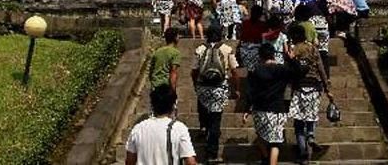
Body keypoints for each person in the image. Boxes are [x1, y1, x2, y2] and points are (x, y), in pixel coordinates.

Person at [191, 26, 240, 163]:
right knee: (215, 119)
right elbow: (234, 72)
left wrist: (196, 85)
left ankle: (204, 129)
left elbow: (194, 71)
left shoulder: (200, 49)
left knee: (205, 113)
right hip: (219, 88)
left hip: (203, 87)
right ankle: (212, 153)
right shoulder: (227, 49)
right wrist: (236, 89)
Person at [244, 43, 299, 165]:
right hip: (277, 108)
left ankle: (265, 156)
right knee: (275, 143)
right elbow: (298, 72)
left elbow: (249, 91)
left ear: (260, 56)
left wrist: (247, 108)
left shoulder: (255, 70)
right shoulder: (282, 69)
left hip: (259, 109)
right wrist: (292, 59)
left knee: (260, 135)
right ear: (274, 54)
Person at [288, 24, 333, 164]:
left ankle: (303, 154)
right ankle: (311, 135)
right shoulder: (313, 49)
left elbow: (289, 68)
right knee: (312, 115)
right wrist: (328, 88)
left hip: (299, 87)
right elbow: (321, 69)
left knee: (299, 122)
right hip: (314, 86)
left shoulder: (294, 49)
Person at [125, 84, 197, 165]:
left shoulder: (138, 128)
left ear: (152, 105)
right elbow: (191, 162)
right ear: (173, 106)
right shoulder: (179, 128)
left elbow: (130, 161)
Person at [306, 0, 332, 79]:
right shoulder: (324, 3)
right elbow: (328, 17)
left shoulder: (309, 3)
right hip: (323, 25)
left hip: (312, 24)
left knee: (313, 51)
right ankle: (327, 76)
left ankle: (315, 74)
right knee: (324, 51)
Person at [239, 4, 267, 72]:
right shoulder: (262, 25)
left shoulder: (245, 23)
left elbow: (241, 36)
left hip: (245, 49)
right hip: (255, 49)